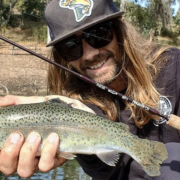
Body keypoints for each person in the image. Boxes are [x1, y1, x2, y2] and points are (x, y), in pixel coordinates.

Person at [0, 0, 180, 179]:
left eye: (99, 34)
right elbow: (109, 171)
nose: (90, 54)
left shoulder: (175, 67)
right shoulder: (79, 106)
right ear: (61, 57)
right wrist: (87, 153)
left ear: (120, 29)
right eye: (71, 47)